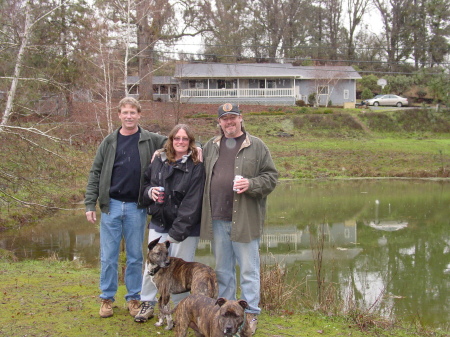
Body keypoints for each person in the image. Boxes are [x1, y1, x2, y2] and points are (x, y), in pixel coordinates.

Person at [84, 97, 167, 318]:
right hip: (110, 206)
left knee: (135, 257)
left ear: (139, 115)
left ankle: (133, 299)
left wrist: (191, 149)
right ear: (119, 115)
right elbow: (95, 173)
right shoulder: (109, 141)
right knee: (108, 256)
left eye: (133, 112)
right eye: (125, 112)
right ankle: (107, 299)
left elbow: (180, 142)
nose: (129, 116)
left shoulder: (150, 139)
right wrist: (89, 203)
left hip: (136, 208)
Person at [200, 103, 278, 335]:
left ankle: (251, 316)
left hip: (245, 221)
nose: (229, 122)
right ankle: (227, 319)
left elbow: (271, 177)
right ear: (219, 123)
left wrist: (251, 184)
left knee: (248, 271)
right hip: (217, 219)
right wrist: (162, 152)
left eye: (233, 118)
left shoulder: (257, 146)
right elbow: (186, 157)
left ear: (241, 119)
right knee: (223, 271)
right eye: (225, 119)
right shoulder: (210, 146)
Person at [134, 124, 205, 323]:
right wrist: (150, 192)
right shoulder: (159, 159)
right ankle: (147, 303)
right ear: (171, 140)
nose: (180, 142)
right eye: (176, 138)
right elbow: (145, 183)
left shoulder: (196, 165)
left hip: (185, 229)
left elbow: (192, 203)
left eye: (185, 139)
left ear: (191, 142)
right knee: (152, 265)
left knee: (179, 272)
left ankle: (180, 310)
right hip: (158, 223)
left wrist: (175, 234)